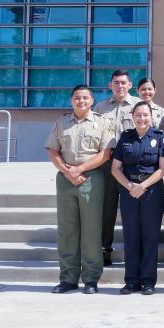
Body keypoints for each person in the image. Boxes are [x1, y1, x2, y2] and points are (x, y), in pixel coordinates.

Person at [45, 85, 115, 294]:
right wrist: (68, 171)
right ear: (71, 100)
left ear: (92, 101)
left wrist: (80, 169)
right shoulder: (61, 122)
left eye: (85, 98)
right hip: (66, 179)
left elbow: (106, 153)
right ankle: (68, 278)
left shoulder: (102, 122)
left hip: (91, 178)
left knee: (92, 231)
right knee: (67, 231)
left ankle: (91, 278)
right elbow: (52, 150)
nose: (81, 101)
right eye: (77, 98)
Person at [110, 101, 164, 295]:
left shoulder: (160, 138)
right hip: (128, 191)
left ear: (151, 117)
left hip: (151, 190)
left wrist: (142, 186)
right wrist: (129, 186)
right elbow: (115, 168)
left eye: (145, 115)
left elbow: (163, 169)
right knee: (131, 236)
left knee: (150, 236)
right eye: (138, 115)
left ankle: (148, 281)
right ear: (132, 117)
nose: (142, 118)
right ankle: (131, 281)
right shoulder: (125, 138)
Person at [94, 69, 141, 266]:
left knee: (134, 210)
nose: (120, 86)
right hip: (107, 164)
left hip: (132, 166)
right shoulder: (100, 107)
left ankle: (137, 251)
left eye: (124, 83)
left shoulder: (138, 105)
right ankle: (105, 249)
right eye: (116, 83)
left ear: (131, 85)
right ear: (110, 85)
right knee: (107, 209)